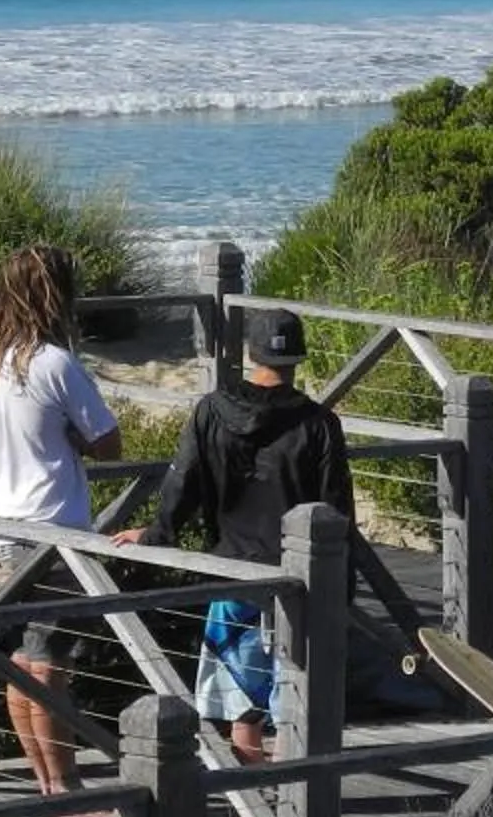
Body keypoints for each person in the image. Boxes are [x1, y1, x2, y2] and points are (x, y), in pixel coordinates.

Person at [115, 306, 354, 765]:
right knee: (294, 699)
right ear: (297, 359)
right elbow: (336, 508)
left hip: (232, 572)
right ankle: (290, 802)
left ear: (251, 353)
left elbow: (182, 481)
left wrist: (156, 534)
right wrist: (342, 588)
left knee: (241, 701)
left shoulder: (212, 411)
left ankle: (252, 811)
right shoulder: (319, 424)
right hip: (297, 579)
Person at [0, 245, 120, 804]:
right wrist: (78, 441)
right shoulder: (54, 362)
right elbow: (109, 442)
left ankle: (45, 781)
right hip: (52, 535)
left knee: (21, 665)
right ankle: (66, 785)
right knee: (50, 669)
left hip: (3, 533)